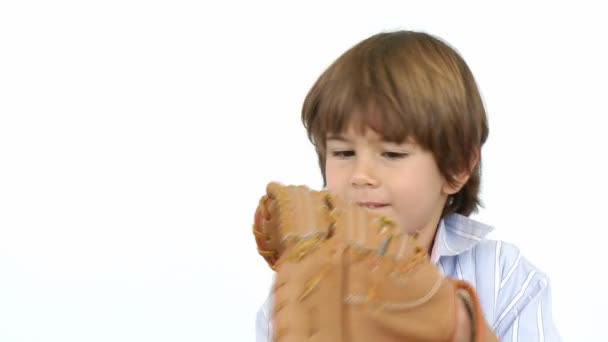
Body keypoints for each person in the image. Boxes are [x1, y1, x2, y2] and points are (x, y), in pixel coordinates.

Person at [255, 30, 561, 341]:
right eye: (343, 152)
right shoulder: (303, 286)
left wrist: (461, 327)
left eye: (392, 154)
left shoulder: (503, 275)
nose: (361, 175)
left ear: (457, 167)